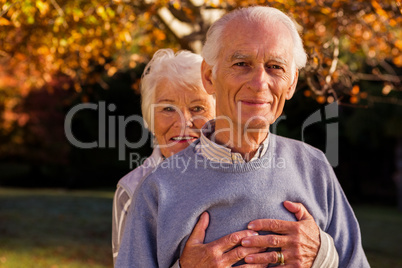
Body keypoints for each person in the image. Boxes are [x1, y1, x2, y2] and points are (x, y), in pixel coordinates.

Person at [117, 6, 370, 267]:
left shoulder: (315, 168)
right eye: (241, 64)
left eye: (274, 67)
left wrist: (322, 255)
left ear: (292, 82)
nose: (260, 82)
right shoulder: (157, 189)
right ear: (209, 76)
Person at [112, 49, 215, 262]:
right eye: (168, 108)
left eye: (197, 108)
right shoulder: (132, 191)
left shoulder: (241, 172)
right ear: (150, 116)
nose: (183, 122)